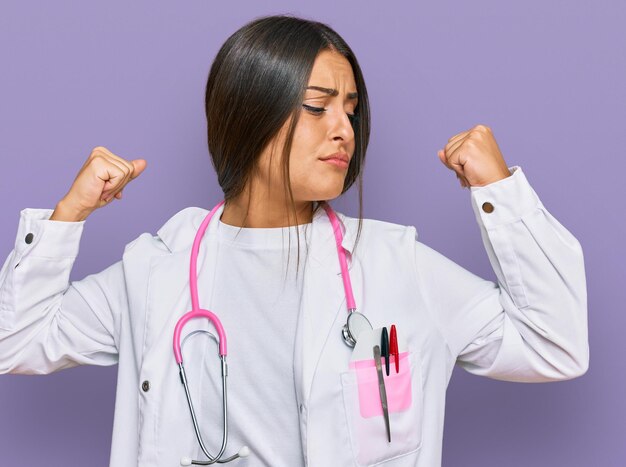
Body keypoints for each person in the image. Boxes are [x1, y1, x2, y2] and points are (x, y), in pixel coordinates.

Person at [0, 14, 588, 467]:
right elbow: (14, 342)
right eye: (317, 106)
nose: (343, 130)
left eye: (351, 111)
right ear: (248, 114)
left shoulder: (396, 266)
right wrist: (68, 214)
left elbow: (555, 346)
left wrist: (500, 194)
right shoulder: (158, 270)